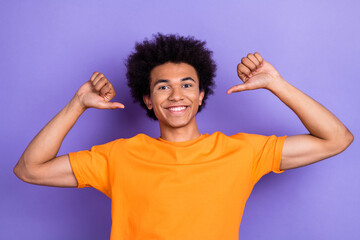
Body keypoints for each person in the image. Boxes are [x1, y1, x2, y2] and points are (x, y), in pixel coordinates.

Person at [14, 33, 353, 240]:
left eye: (187, 85)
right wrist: (77, 104)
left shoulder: (243, 152)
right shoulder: (117, 157)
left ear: (201, 95)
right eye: (163, 86)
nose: (176, 95)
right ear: (148, 99)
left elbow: (336, 139)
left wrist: (277, 84)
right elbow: (29, 169)